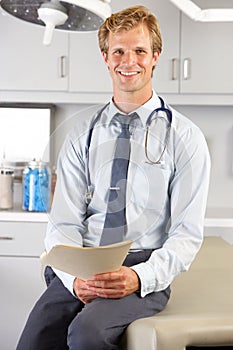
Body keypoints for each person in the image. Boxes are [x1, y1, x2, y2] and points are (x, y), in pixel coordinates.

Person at [16, 5, 210, 350]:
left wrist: (138, 276)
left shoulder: (186, 137)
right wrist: (75, 280)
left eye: (139, 51)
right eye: (118, 51)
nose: (128, 61)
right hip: (83, 262)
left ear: (155, 57)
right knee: (33, 341)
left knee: (86, 334)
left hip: (143, 262)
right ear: (105, 57)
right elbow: (62, 223)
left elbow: (186, 235)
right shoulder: (81, 134)